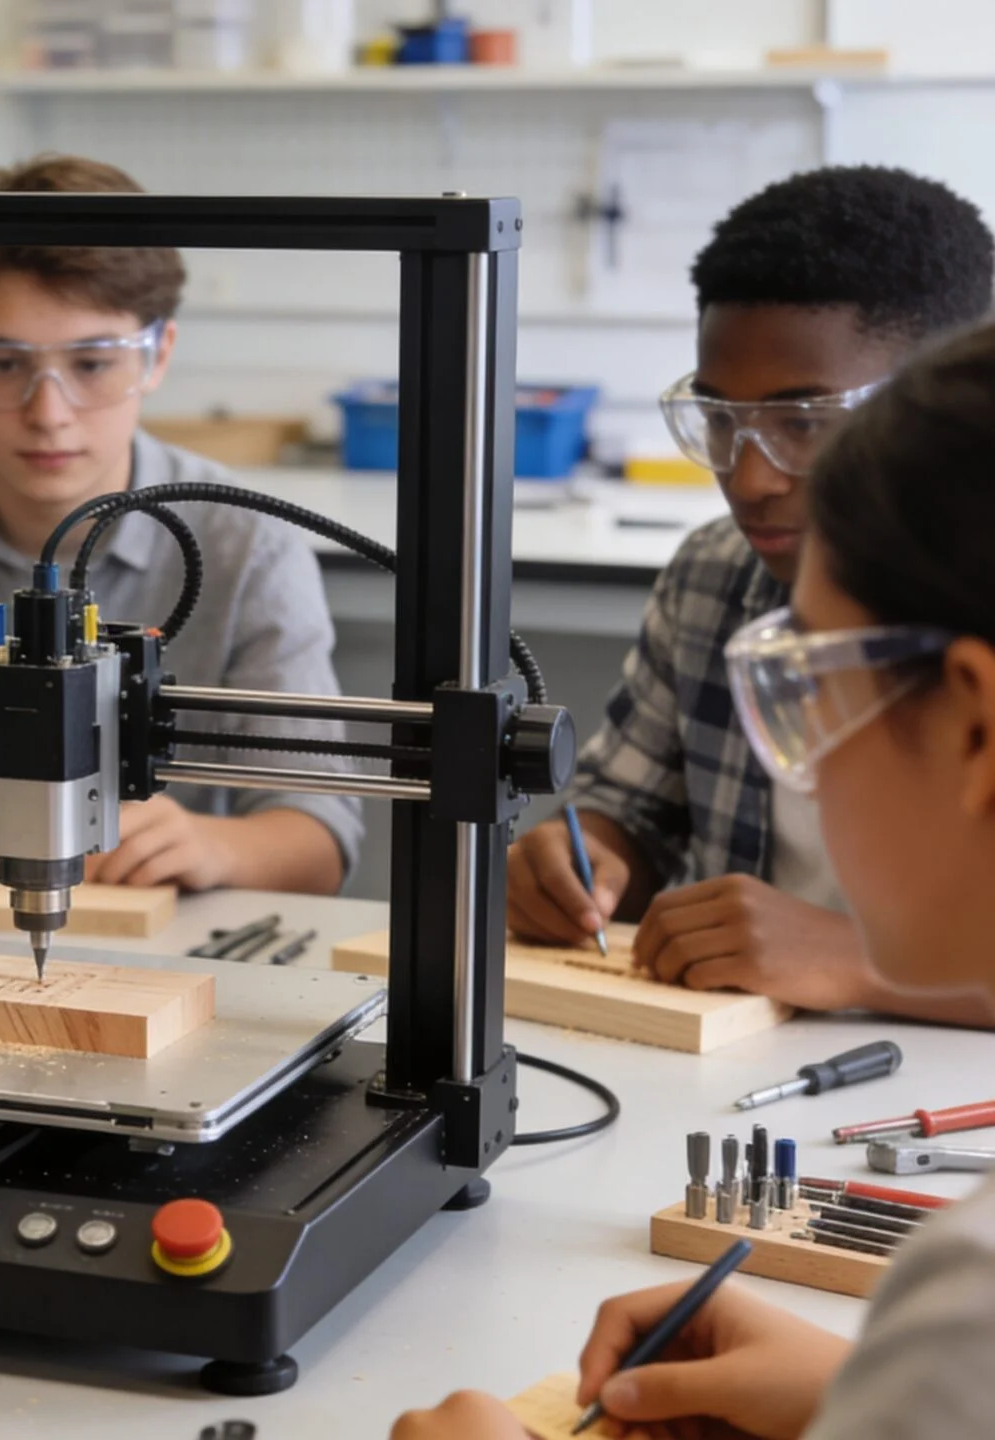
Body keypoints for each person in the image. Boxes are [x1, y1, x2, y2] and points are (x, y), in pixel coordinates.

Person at [395, 321, 995, 1440]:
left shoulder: (971, 1301)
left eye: (807, 687)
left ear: (974, 729)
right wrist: (860, 1394)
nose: (794, 756)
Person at [506, 165, 995, 1023]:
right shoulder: (718, 572)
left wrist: (858, 963)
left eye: (805, 422)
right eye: (722, 420)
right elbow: (630, 806)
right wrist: (585, 859)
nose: (751, 476)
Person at [0, 154, 362, 895]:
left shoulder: (247, 546)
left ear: (158, 352)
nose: (49, 413)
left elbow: (320, 834)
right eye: (3, 364)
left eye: (94, 364)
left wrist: (214, 846)